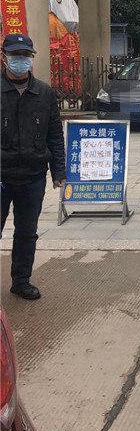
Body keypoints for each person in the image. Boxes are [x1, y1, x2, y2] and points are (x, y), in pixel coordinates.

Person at [1, 34, 66, 300]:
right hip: (2, 175)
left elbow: (55, 134)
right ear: (4, 57)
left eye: (25, 55)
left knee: (27, 232)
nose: (20, 60)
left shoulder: (44, 93)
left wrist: (59, 171)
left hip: (33, 176)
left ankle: (21, 281)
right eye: (15, 55)